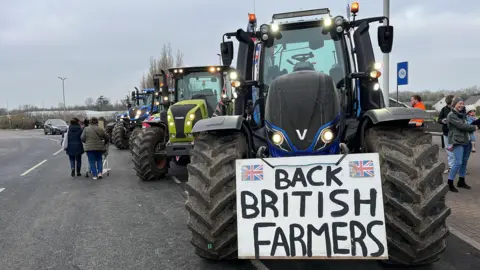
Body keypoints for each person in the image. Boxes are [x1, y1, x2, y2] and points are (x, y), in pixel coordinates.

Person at [446, 97, 478, 192]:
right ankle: (450, 183)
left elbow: (467, 124)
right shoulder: (451, 115)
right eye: (459, 103)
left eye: (462, 103)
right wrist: (474, 127)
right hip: (457, 141)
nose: (461, 105)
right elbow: (462, 126)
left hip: (466, 140)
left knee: (464, 162)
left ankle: (461, 181)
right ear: (454, 104)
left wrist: (474, 124)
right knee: (458, 162)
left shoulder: (462, 114)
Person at [437, 95, 455, 173]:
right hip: (446, 132)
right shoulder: (444, 109)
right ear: (450, 101)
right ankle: (451, 167)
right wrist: (443, 120)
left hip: (457, 133)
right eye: (454, 99)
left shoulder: (459, 109)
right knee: (449, 150)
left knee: (458, 150)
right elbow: (439, 119)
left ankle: (460, 167)